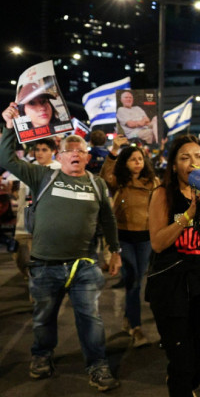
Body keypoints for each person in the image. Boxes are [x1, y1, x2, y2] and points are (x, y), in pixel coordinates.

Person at [1, 102, 122, 391]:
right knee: (43, 320)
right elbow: (6, 159)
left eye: (81, 150)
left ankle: (97, 366)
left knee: (90, 320)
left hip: (84, 266)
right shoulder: (43, 175)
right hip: (44, 266)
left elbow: (108, 218)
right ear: (60, 156)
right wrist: (8, 128)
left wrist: (115, 251)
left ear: (87, 155)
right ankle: (41, 357)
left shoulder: (97, 184)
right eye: (70, 150)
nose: (76, 154)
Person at [145, 135, 200, 396]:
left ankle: (181, 382)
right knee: (181, 358)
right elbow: (158, 243)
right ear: (173, 165)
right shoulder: (163, 194)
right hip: (173, 286)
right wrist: (189, 214)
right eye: (185, 157)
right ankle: (180, 385)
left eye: (198, 156)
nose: (193, 162)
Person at [100, 134, 159, 348]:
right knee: (133, 280)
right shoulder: (120, 182)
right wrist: (113, 151)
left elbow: (160, 206)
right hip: (123, 238)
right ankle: (136, 327)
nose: (137, 162)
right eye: (133, 159)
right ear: (125, 162)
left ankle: (128, 318)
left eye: (140, 159)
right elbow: (106, 175)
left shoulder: (153, 181)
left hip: (145, 238)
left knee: (136, 281)